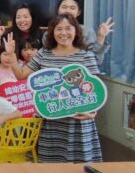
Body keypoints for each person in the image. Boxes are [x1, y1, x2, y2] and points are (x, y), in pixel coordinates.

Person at [6, 14, 103, 163]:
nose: (63, 33)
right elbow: (21, 75)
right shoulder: (44, 54)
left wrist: (92, 112)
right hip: (50, 122)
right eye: (59, 29)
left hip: (77, 124)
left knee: (79, 170)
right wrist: (12, 56)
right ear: (52, 32)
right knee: (49, 169)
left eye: (68, 28)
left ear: (76, 31)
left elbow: (95, 89)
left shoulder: (86, 55)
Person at [41, 0, 113, 65]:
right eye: (64, 7)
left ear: (79, 12)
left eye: (72, 8)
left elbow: (96, 61)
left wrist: (101, 37)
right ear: (58, 10)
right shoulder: (48, 33)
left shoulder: (87, 32)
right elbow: (45, 57)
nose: (67, 11)